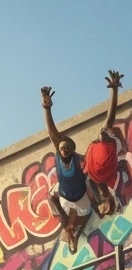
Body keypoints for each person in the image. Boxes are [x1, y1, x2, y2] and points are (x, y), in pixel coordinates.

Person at [41, 84, 92, 250]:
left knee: (85, 213)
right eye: (61, 147)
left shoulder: (78, 160)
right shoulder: (58, 154)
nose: (63, 149)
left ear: (71, 150)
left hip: (80, 196)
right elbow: (52, 132)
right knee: (50, 197)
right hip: (64, 195)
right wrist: (47, 108)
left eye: (66, 147)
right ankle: (68, 228)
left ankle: (76, 230)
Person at [83, 71, 127, 218]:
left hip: (107, 164)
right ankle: (105, 202)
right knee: (93, 181)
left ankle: (106, 202)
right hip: (101, 169)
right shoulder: (101, 151)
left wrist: (114, 91)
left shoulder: (109, 146)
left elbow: (111, 114)